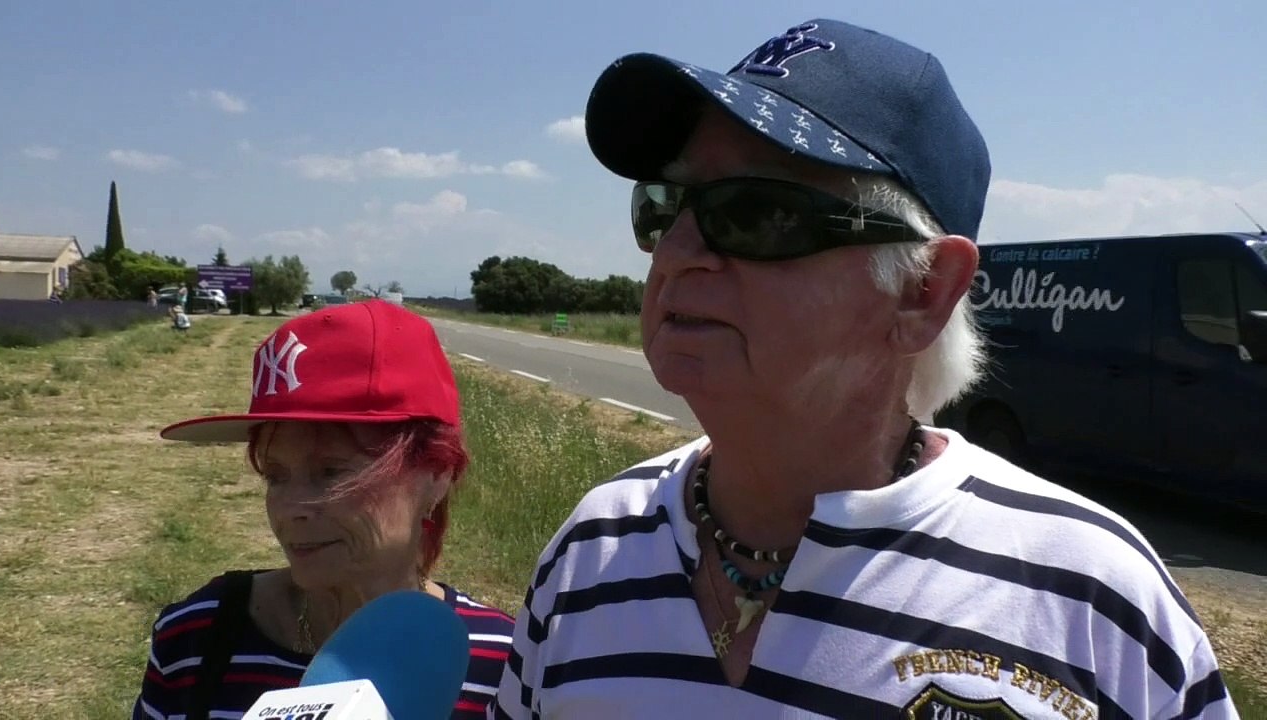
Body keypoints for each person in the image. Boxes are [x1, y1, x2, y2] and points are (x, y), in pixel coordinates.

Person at [491, 19, 1238, 719]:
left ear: (924, 291)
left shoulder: (1094, 600)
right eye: (665, 206)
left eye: (756, 213)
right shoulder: (592, 545)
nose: (677, 252)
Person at [134, 300, 515, 719]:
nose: (291, 509)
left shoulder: (507, 669)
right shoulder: (196, 638)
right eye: (275, 475)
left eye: (331, 472)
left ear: (438, 473)